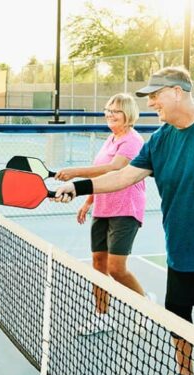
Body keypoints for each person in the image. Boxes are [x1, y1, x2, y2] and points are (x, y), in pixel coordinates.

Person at [54, 66, 194, 375]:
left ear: (178, 91)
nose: (151, 102)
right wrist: (78, 187)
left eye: (156, 94)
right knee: (177, 321)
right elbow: (124, 176)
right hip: (179, 252)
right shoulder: (162, 139)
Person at [54, 93, 149, 335]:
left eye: (115, 111)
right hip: (103, 208)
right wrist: (88, 201)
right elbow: (101, 177)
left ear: (127, 113)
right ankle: (101, 315)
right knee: (98, 264)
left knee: (117, 268)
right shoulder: (111, 138)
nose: (109, 114)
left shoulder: (132, 141)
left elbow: (114, 170)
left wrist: (75, 173)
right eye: (107, 110)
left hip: (126, 209)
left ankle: (146, 306)